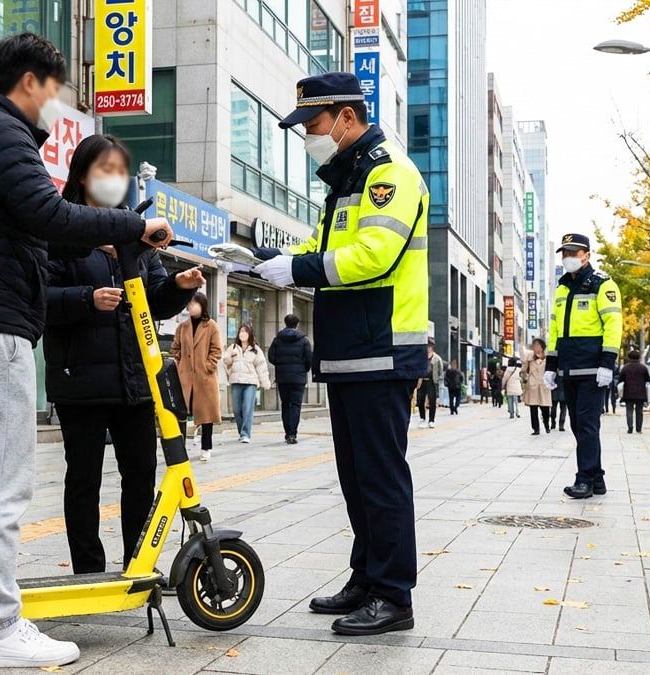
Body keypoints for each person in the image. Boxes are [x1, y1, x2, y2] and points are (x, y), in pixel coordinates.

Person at [0, 33, 174, 668]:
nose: (57, 103)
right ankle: (1, 628)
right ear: (30, 82)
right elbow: (49, 216)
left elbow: (33, 237)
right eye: (55, 89)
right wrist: (130, 225)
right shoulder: (1, 133)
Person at [252, 72, 428, 636]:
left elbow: (374, 255)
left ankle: (394, 595)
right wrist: (263, 258)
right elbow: (320, 248)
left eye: (315, 124)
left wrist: (298, 269)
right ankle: (366, 578)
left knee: (381, 479)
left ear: (347, 118)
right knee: (356, 479)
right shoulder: (348, 180)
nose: (310, 136)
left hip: (382, 349)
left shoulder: (389, 174)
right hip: (353, 351)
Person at [43, 135, 203, 575]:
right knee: (83, 482)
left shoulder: (133, 234)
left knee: (141, 477)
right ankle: (89, 572)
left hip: (136, 381)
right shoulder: (61, 232)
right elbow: (38, 298)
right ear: (81, 175)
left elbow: (151, 300)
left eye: (119, 171)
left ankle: (140, 564)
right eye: (103, 170)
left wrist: (178, 286)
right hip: (80, 382)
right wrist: (85, 299)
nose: (113, 180)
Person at [543, 233, 622, 500]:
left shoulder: (602, 284)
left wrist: (607, 364)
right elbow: (554, 330)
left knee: (587, 425)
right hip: (568, 368)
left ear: (586, 255)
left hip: (592, 368)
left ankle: (584, 478)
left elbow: (613, 325)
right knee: (578, 425)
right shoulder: (562, 287)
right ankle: (597, 477)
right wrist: (551, 366)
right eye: (565, 253)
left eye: (573, 253)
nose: (568, 258)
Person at [171, 294, 223, 461]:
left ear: (202, 305)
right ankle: (180, 449)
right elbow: (175, 348)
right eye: (189, 304)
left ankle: (206, 447)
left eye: (194, 304)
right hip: (185, 376)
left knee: (206, 414)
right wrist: (178, 364)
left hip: (204, 377)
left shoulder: (211, 326)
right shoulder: (183, 327)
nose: (190, 307)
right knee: (181, 413)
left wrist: (208, 365)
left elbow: (216, 350)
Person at [268, 314, 312, 443]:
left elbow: (271, 357)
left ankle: (287, 433)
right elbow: (309, 358)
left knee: (285, 404)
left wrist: (280, 364)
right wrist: (304, 369)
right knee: (296, 405)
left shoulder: (277, 340)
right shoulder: (304, 340)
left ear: (285, 323)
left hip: (283, 377)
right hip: (298, 378)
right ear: (297, 324)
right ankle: (293, 434)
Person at [223, 324, 271, 443]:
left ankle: (245, 434)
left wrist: (265, 382)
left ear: (249, 334)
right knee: (237, 409)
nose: (242, 334)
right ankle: (241, 432)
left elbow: (261, 366)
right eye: (240, 332)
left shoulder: (256, 349)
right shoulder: (233, 347)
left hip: (251, 382)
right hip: (236, 381)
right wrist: (229, 358)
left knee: (247, 408)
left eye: (245, 332)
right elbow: (226, 362)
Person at [521, 338, 553, 435]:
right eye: (534, 346)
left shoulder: (548, 357)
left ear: (542, 347)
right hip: (533, 385)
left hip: (544, 385)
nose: (536, 347)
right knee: (533, 408)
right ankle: (536, 429)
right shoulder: (529, 357)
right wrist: (524, 377)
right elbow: (524, 370)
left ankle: (547, 424)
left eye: (538, 345)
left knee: (545, 408)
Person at [619, 350, 650, 434]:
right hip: (640, 393)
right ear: (639, 357)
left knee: (629, 410)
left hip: (628, 393)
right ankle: (639, 429)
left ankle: (630, 427)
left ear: (629, 357)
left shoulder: (625, 368)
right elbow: (648, 379)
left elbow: (620, 379)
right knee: (639, 411)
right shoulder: (643, 368)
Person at [416, 343, 443, 428]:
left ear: (432, 348)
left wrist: (437, 379)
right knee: (420, 400)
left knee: (432, 401)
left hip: (432, 381)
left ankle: (431, 420)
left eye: (428, 347)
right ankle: (422, 418)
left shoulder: (437, 358)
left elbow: (440, 371)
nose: (427, 348)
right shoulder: (421, 357)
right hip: (421, 380)